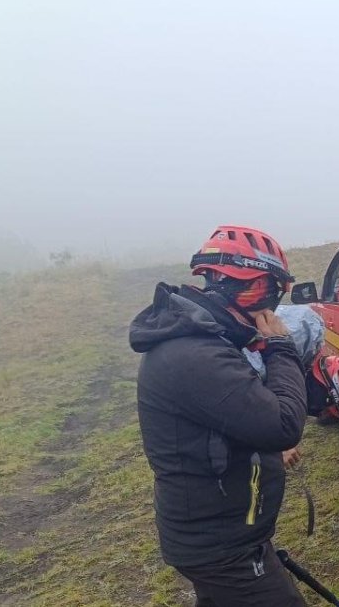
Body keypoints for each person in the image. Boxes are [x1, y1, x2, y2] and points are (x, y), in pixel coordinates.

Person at [130, 225, 308, 606]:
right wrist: (280, 348)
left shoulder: (207, 340)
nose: (269, 305)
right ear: (245, 289)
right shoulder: (197, 355)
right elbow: (282, 426)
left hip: (222, 531)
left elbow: (244, 413)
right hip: (220, 547)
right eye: (267, 291)